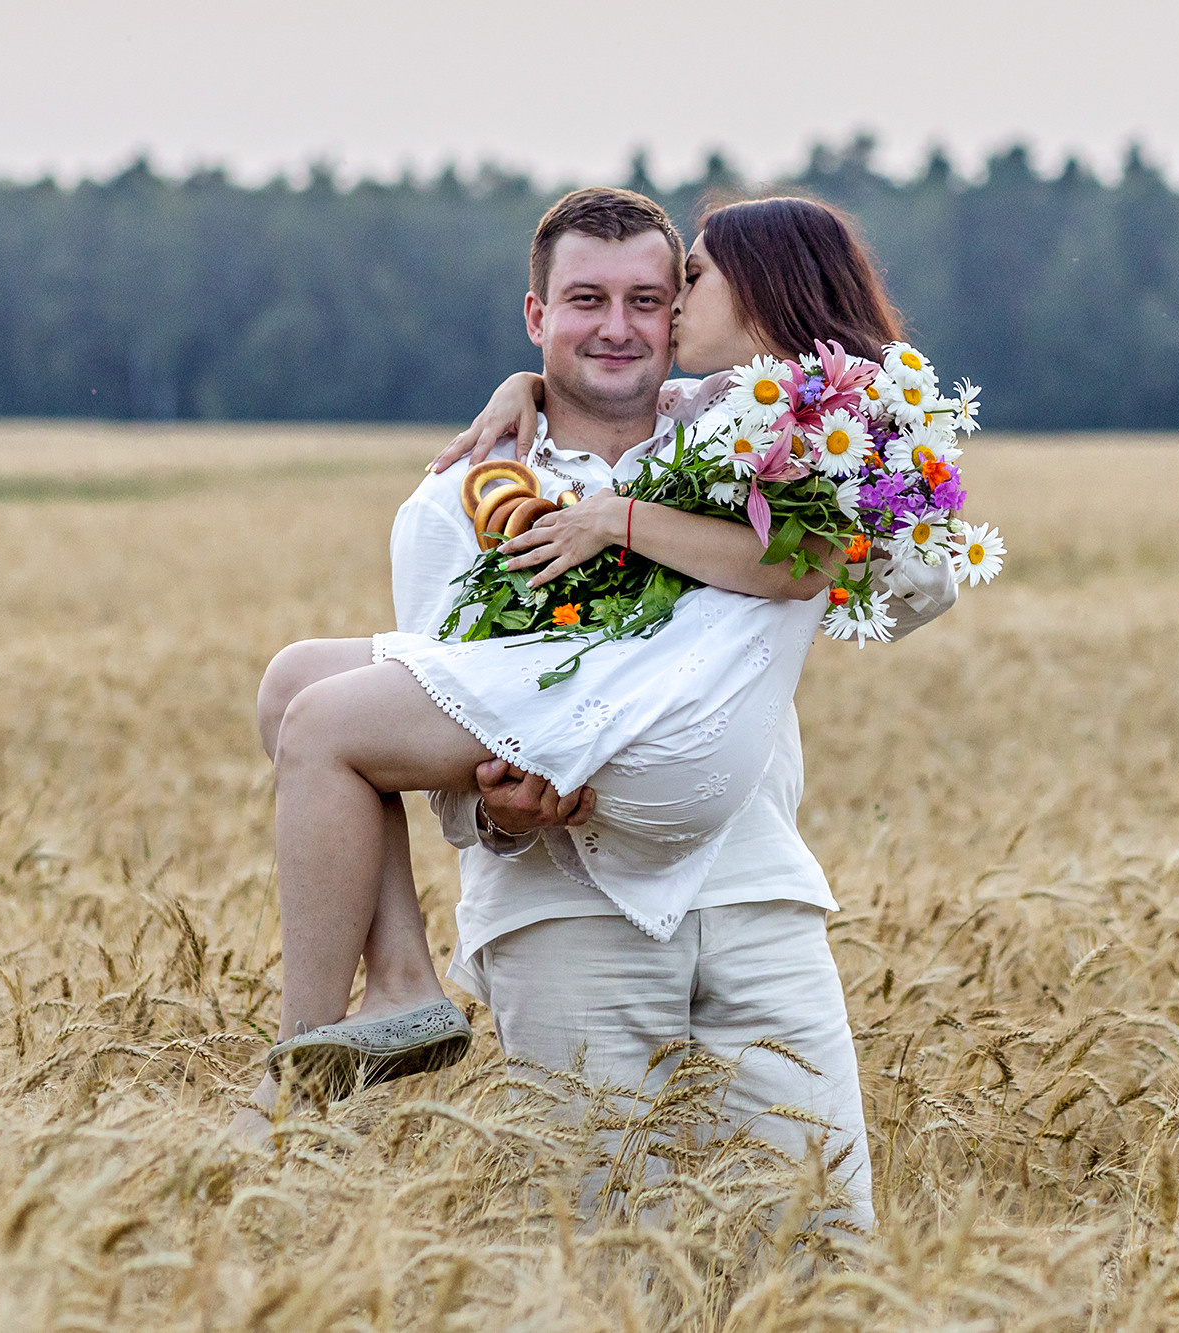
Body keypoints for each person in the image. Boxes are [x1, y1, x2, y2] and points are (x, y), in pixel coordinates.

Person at [235, 190, 958, 1229]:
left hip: (752, 900)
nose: (616, 326)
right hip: (562, 916)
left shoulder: (744, 435)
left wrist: (861, 506)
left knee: (818, 1242)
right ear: (536, 317)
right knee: (603, 1254)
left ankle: (341, 1026)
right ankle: (355, 1012)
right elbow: (445, 710)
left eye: (649, 296)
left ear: (680, 315)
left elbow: (903, 590)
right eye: (582, 301)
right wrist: (497, 810)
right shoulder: (460, 495)